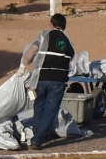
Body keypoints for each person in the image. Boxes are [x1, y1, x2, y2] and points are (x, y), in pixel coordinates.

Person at [17, 13, 77, 150]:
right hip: (59, 81)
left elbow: (31, 51)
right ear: (64, 27)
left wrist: (22, 67)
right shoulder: (69, 42)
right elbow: (73, 64)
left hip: (41, 78)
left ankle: (36, 138)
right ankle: (37, 139)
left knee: (39, 108)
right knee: (50, 111)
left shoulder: (44, 35)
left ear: (51, 24)